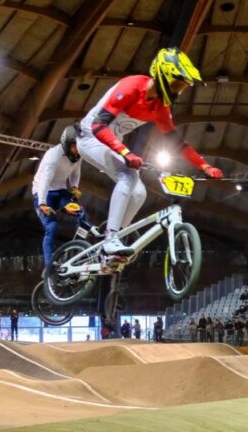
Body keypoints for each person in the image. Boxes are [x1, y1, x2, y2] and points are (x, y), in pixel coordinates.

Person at [78, 47, 223, 256]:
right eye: (178, 84)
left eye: (183, 87)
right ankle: (111, 238)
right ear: (164, 76)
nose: (179, 91)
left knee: (139, 193)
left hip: (111, 142)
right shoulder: (131, 86)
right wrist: (126, 153)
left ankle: (108, 243)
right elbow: (98, 127)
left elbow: (178, 144)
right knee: (127, 177)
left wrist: (205, 166)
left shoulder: (160, 107)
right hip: (90, 137)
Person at [32, 125, 91, 267]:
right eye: (75, 147)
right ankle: (49, 265)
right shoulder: (53, 157)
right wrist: (42, 203)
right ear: (66, 144)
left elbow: (76, 173)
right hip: (42, 192)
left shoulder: (78, 156)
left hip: (61, 191)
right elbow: (45, 181)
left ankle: (78, 247)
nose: (77, 151)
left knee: (82, 214)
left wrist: (75, 187)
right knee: (51, 226)